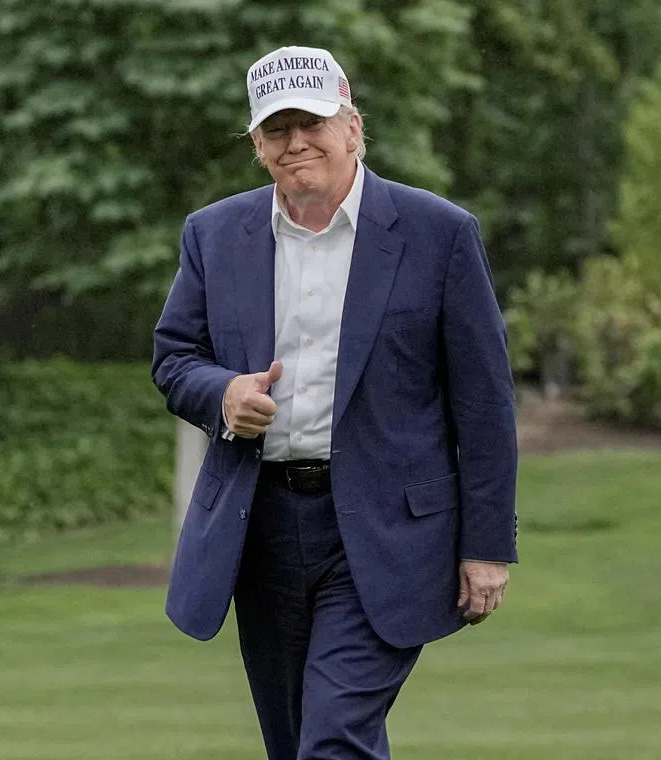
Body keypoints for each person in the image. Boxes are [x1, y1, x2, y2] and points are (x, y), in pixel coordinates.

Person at [151, 45, 518, 760]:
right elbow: (174, 359)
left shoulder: (438, 234)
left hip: (387, 533)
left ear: (352, 125)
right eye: (276, 129)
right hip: (261, 529)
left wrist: (486, 548)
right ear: (257, 145)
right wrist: (224, 394)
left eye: (312, 122)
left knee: (333, 741)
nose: (296, 143)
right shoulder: (214, 235)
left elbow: (485, 404)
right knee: (298, 745)